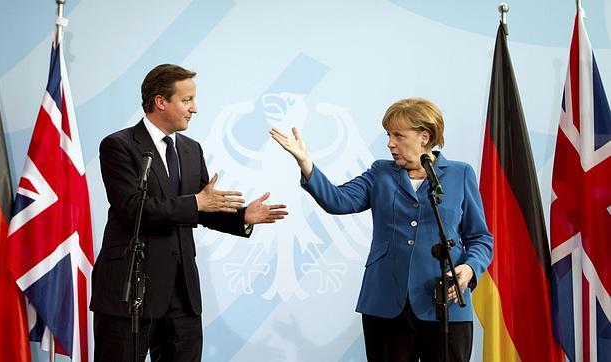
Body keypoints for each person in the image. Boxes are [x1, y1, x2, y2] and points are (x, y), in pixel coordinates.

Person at [90, 64, 288, 362]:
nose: (194, 108)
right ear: (161, 101)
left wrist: (242, 216)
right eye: (187, 100)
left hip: (181, 295)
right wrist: (197, 203)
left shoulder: (191, 149)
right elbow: (133, 209)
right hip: (130, 289)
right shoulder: (119, 146)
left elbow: (202, 208)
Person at [270, 98, 493, 361]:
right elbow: (338, 200)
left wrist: (469, 269)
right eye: (389, 135)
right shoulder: (380, 173)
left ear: (424, 136)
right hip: (387, 301)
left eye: (398, 135)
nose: (390, 143)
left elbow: (480, 238)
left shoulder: (460, 174)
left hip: (446, 302)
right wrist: (306, 163)